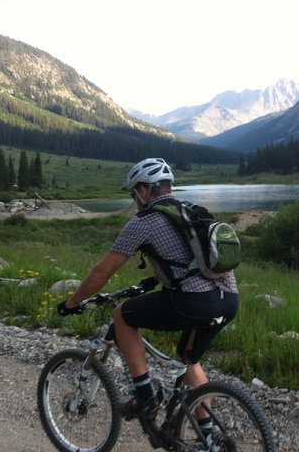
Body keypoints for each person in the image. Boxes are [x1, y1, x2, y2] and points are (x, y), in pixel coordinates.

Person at [57, 157, 239, 422]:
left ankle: (146, 397)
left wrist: (71, 303)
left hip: (193, 301)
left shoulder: (144, 221)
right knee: (187, 362)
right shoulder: (191, 212)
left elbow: (102, 272)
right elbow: (187, 259)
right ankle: (207, 440)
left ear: (143, 190)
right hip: (228, 300)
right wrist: (154, 281)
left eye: (133, 193)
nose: (134, 200)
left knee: (122, 315)